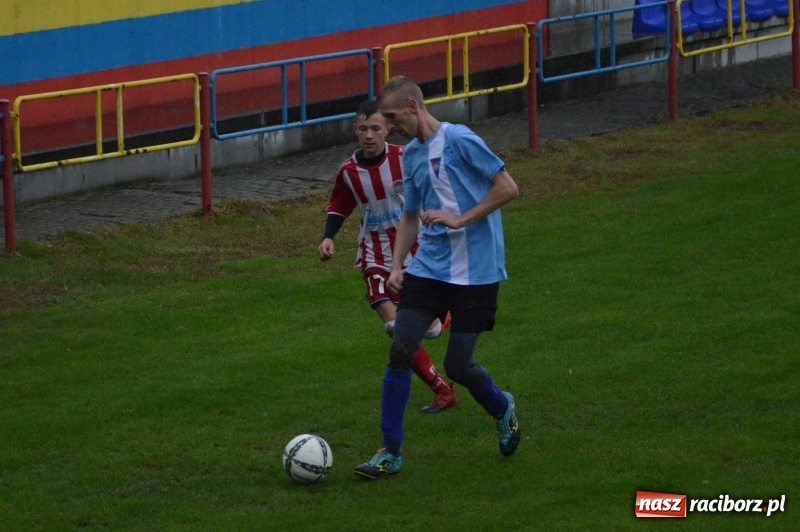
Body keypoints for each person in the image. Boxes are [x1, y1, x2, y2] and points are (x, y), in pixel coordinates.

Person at [354, 76, 521, 480]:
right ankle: (390, 452)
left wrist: (460, 219)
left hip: (477, 271)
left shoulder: (460, 140)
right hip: (428, 268)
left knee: (458, 365)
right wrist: (397, 267)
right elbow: (410, 215)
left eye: (392, 117)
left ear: (413, 107)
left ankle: (502, 407)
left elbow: (507, 188)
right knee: (400, 349)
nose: (389, 126)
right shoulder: (411, 156)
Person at [318, 99, 458, 414]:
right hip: (374, 256)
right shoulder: (348, 171)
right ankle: (442, 390)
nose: (369, 135)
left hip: (416, 253)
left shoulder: (406, 157)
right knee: (397, 329)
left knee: (431, 330)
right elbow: (340, 204)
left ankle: (447, 311)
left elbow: (435, 184)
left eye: (376, 128)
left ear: (388, 129)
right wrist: (328, 236)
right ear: (355, 130)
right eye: (363, 128)